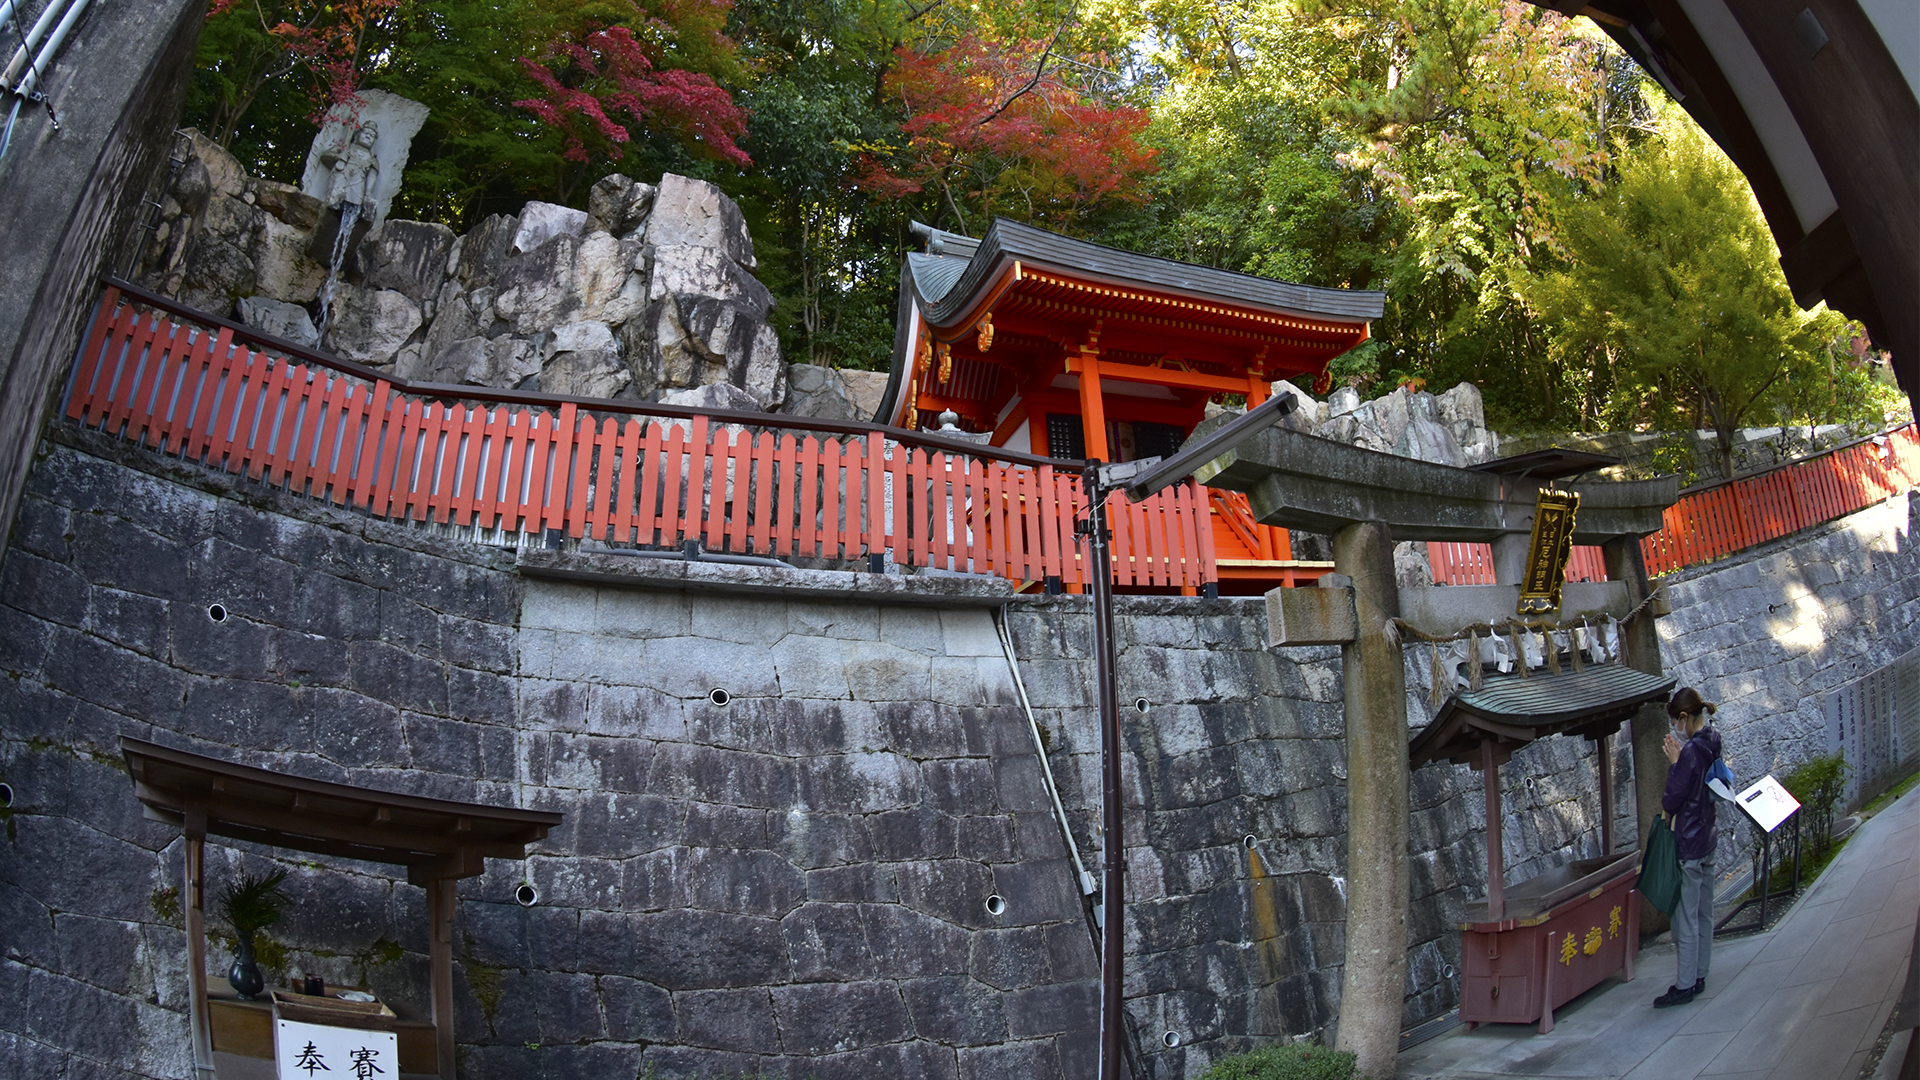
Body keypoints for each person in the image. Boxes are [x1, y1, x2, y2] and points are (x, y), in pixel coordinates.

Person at [1655, 686, 1722, 1008]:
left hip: (1689, 844)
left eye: (1675, 721)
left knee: (1686, 918)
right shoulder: (1712, 739)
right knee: (1705, 913)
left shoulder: (1690, 753)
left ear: (1684, 717)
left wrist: (1674, 763)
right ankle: (1699, 974)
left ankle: (1684, 985)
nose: (1674, 729)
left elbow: (1672, 799)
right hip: (1708, 836)